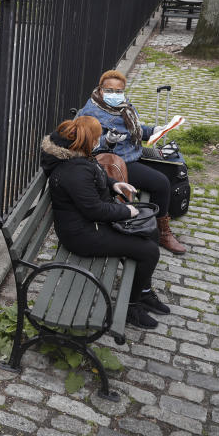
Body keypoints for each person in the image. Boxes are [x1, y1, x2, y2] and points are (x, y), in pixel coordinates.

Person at [40, 116, 170, 329]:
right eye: (97, 137)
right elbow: (94, 209)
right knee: (149, 251)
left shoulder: (77, 157)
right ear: (88, 141)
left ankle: (144, 293)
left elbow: (95, 176)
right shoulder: (74, 170)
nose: (100, 140)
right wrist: (126, 211)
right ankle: (131, 307)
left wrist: (114, 184)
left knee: (151, 232)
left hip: (88, 225)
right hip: (82, 236)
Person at [78, 70, 187, 255]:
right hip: (118, 161)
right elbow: (87, 146)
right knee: (161, 183)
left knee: (172, 168)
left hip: (134, 152)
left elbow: (134, 130)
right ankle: (162, 233)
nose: (115, 94)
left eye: (119, 90)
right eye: (109, 90)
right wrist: (107, 140)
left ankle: (155, 218)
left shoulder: (124, 106)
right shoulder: (91, 112)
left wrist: (153, 130)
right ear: (100, 90)